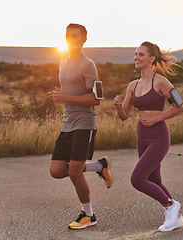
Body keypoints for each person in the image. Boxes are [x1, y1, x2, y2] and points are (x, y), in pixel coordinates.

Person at [113, 41, 183, 232]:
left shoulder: (161, 82)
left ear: (151, 59)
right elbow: (124, 116)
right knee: (154, 180)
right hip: (141, 135)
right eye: (135, 54)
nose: (136, 57)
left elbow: (180, 106)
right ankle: (176, 217)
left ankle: (170, 205)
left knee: (137, 179)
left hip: (158, 136)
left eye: (141, 55)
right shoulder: (133, 85)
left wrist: (157, 118)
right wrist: (119, 106)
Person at [47, 23, 113, 230]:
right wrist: (60, 96)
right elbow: (70, 92)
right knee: (57, 171)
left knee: (75, 172)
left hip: (84, 123)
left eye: (75, 36)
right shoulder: (62, 63)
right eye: (68, 36)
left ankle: (89, 215)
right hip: (67, 123)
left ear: (84, 39)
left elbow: (97, 99)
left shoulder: (88, 65)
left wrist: (66, 96)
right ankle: (98, 166)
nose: (71, 40)